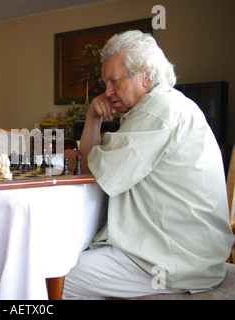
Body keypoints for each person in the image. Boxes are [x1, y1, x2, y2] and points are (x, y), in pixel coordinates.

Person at [62, 30, 233, 299]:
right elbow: (93, 158)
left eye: (114, 81)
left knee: (55, 277)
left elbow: (90, 167)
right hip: (181, 249)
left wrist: (78, 159)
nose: (107, 91)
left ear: (146, 75)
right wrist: (93, 116)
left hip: (175, 259)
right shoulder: (160, 107)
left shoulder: (157, 110)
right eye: (105, 82)